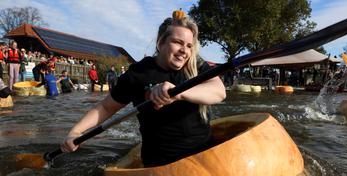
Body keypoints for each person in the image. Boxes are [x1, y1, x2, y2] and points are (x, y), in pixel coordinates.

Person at [61, 11, 226, 167]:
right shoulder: (138, 73)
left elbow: (219, 91)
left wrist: (179, 93)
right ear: (160, 43)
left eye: (189, 46)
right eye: (177, 42)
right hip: (161, 162)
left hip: (205, 151)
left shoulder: (196, 65)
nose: (184, 51)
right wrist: (76, 131)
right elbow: (105, 107)